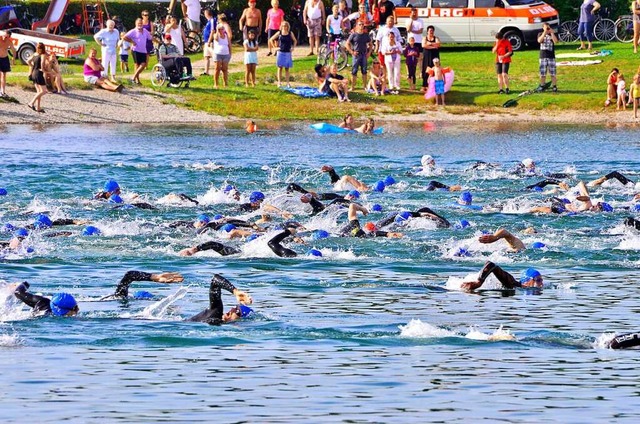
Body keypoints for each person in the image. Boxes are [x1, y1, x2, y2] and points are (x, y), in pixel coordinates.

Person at [187, 274, 253, 325]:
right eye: (235, 307)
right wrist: (235, 291)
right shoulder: (216, 312)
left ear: (239, 320)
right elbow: (215, 281)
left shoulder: (220, 325)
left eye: (237, 312)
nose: (232, 309)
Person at [461, 261, 544, 292]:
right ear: (527, 281)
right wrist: (479, 282)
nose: (541, 283)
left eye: (541, 280)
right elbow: (490, 265)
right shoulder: (512, 283)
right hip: (466, 287)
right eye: (538, 280)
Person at [14, 282, 79, 317]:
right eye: (75, 308)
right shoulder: (43, 307)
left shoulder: (42, 301)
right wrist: (24, 284)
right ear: (64, 310)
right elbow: (18, 292)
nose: (78, 309)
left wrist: (25, 284)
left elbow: (19, 292)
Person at [124, 18, 153, 85]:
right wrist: (132, 41)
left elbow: (150, 37)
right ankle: (137, 80)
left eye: (141, 23)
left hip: (143, 50)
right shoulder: (133, 31)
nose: (140, 24)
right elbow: (124, 37)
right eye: (138, 23)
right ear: (136, 24)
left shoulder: (145, 31)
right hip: (135, 50)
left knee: (143, 64)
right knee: (137, 65)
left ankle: (133, 78)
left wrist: (158, 41)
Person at [346, 21, 372, 90]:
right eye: (360, 24)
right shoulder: (353, 35)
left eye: (362, 24)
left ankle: (365, 86)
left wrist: (369, 53)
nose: (361, 26)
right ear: (357, 26)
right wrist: (351, 52)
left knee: (364, 71)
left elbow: (371, 44)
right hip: (356, 55)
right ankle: (352, 87)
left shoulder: (366, 35)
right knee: (354, 71)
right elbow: (347, 44)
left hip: (364, 55)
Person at [270, 21, 297, 87]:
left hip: (287, 52)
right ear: (281, 26)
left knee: (287, 68)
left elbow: (295, 40)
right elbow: (271, 39)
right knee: (280, 68)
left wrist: (293, 48)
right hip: (280, 52)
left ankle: (288, 83)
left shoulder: (290, 33)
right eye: (283, 26)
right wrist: (275, 48)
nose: (284, 27)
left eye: (286, 26)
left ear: (288, 27)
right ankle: (279, 82)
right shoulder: (279, 33)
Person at [26, 43, 48, 113]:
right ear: (44, 48)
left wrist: (32, 65)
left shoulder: (35, 54)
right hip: (39, 73)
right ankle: (31, 103)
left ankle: (38, 108)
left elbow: (28, 61)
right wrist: (44, 71)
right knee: (44, 91)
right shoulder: (43, 55)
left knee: (39, 92)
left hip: (33, 73)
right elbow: (42, 64)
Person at [537, 22, 558, 93]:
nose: (547, 29)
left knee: (553, 73)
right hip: (543, 56)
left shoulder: (552, 34)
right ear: (543, 28)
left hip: (551, 56)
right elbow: (539, 40)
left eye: (548, 27)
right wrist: (544, 32)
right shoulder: (540, 34)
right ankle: (542, 85)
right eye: (546, 28)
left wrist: (552, 33)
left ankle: (554, 86)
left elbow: (556, 41)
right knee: (542, 73)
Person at [421, 25, 440, 92]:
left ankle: (433, 85)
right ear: (427, 32)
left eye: (432, 30)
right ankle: (424, 85)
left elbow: (438, 44)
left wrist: (429, 44)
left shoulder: (436, 38)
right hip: (427, 56)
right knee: (426, 69)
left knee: (435, 70)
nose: (431, 32)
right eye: (430, 31)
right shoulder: (424, 38)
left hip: (434, 56)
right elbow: (423, 45)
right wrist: (433, 46)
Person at [0, 30, 16, 98]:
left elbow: (13, 50)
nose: (4, 38)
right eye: (3, 36)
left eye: (6, 37)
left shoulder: (9, 42)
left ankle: (2, 91)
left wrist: (13, 58)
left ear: (9, 37)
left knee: (4, 75)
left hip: (5, 58)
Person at [201, 8, 216, 76]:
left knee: (215, 56)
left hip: (210, 41)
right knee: (206, 56)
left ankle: (219, 69)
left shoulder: (212, 20)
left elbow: (213, 31)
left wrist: (210, 40)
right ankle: (206, 71)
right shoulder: (208, 21)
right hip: (206, 41)